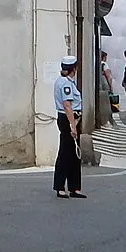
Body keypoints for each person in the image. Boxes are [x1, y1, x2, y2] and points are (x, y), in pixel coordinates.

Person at [53, 55, 86, 198]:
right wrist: (73, 126)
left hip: (71, 118)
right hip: (68, 119)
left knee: (74, 155)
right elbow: (67, 106)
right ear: (74, 69)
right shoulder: (65, 83)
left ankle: (74, 187)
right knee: (65, 153)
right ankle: (60, 187)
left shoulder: (66, 82)